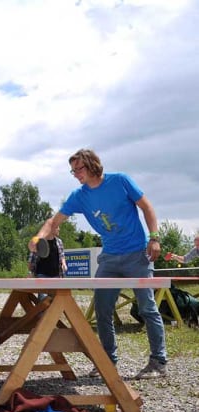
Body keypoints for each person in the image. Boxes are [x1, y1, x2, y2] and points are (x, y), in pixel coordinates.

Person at [29, 148, 167, 380]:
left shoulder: (120, 181)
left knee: (147, 308)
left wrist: (154, 237)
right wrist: (38, 238)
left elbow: (147, 207)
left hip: (137, 254)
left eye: (79, 168)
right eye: (72, 171)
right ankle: (107, 361)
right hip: (109, 258)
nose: (75, 174)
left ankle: (158, 362)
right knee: (102, 310)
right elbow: (53, 221)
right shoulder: (79, 196)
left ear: (93, 164)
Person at [27, 226, 67, 301]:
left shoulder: (59, 242)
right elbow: (31, 260)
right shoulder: (39, 242)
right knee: (43, 300)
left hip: (56, 276)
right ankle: (42, 313)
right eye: (57, 227)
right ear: (51, 228)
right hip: (42, 275)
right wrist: (30, 272)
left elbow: (62, 256)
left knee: (55, 301)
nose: (59, 229)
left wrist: (64, 264)